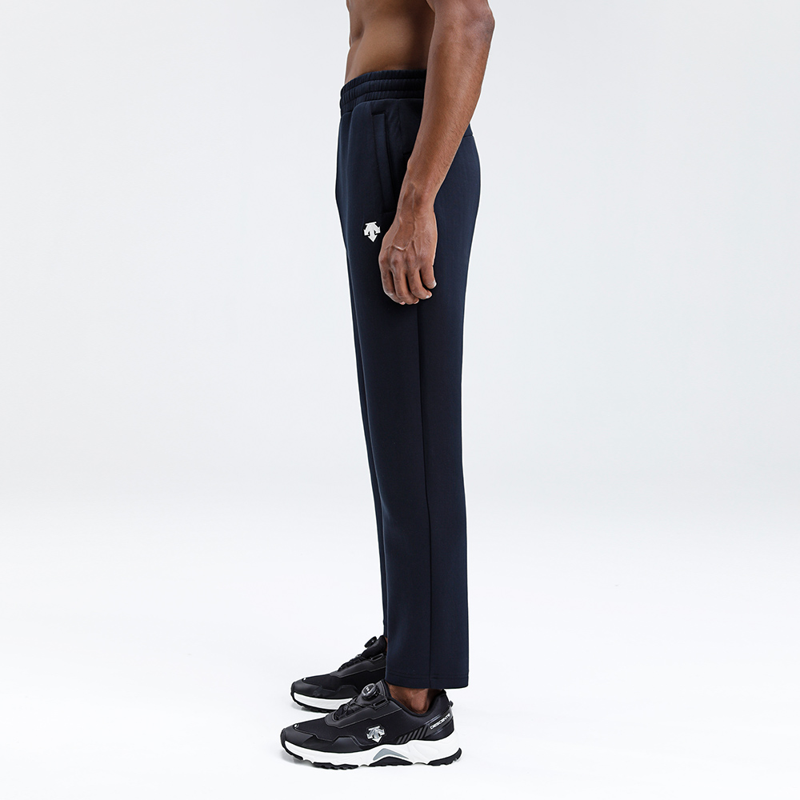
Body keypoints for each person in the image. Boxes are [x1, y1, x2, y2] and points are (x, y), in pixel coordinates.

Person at [280, 0, 494, 768]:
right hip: (374, 124)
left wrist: (416, 199)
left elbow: (468, 20)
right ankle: (412, 641)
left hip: (408, 133)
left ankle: (414, 703)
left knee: (416, 427)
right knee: (394, 421)